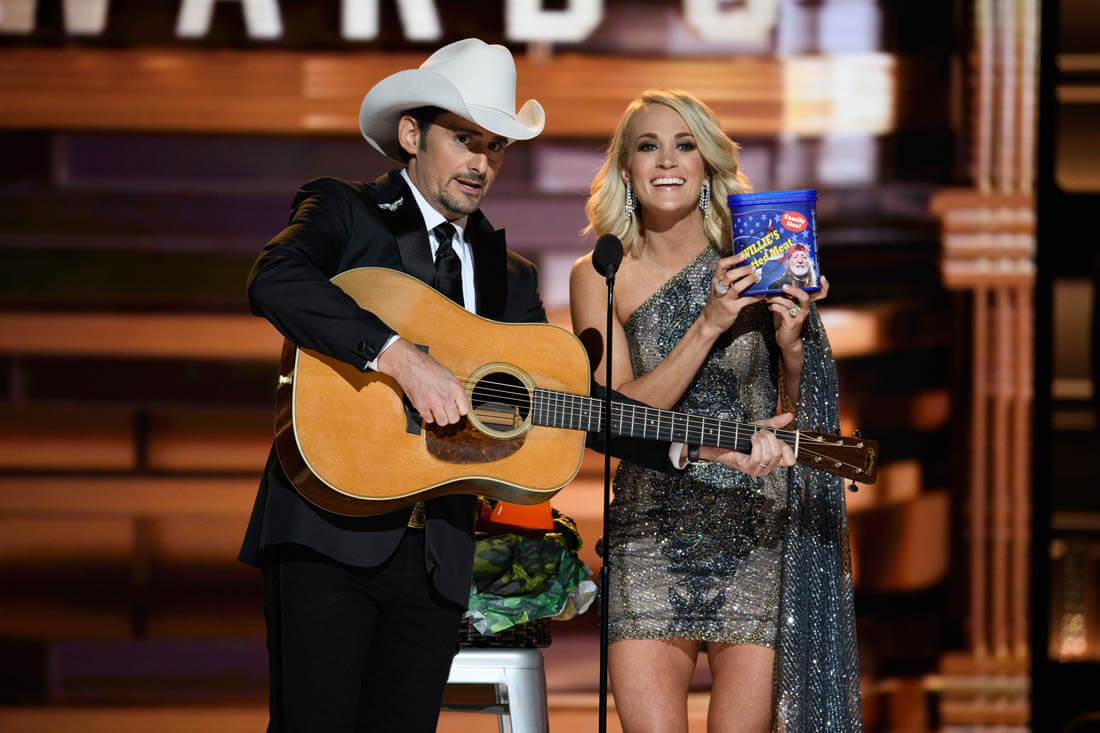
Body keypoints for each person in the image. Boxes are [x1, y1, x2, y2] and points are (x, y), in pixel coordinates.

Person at [239, 42, 779, 733]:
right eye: (465, 140)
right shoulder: (346, 211)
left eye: (494, 148)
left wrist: (694, 446)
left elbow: (566, 401)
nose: (481, 163)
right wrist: (400, 358)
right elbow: (276, 278)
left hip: (438, 552)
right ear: (412, 135)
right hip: (328, 531)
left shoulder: (509, 274)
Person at [570, 89, 863, 732]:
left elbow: (795, 419)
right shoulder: (600, 274)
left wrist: (792, 346)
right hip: (648, 535)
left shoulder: (757, 259)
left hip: (756, 530)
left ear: (706, 164)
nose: (666, 161)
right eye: (648, 147)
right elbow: (616, 415)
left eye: (684, 146)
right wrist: (707, 324)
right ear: (626, 168)